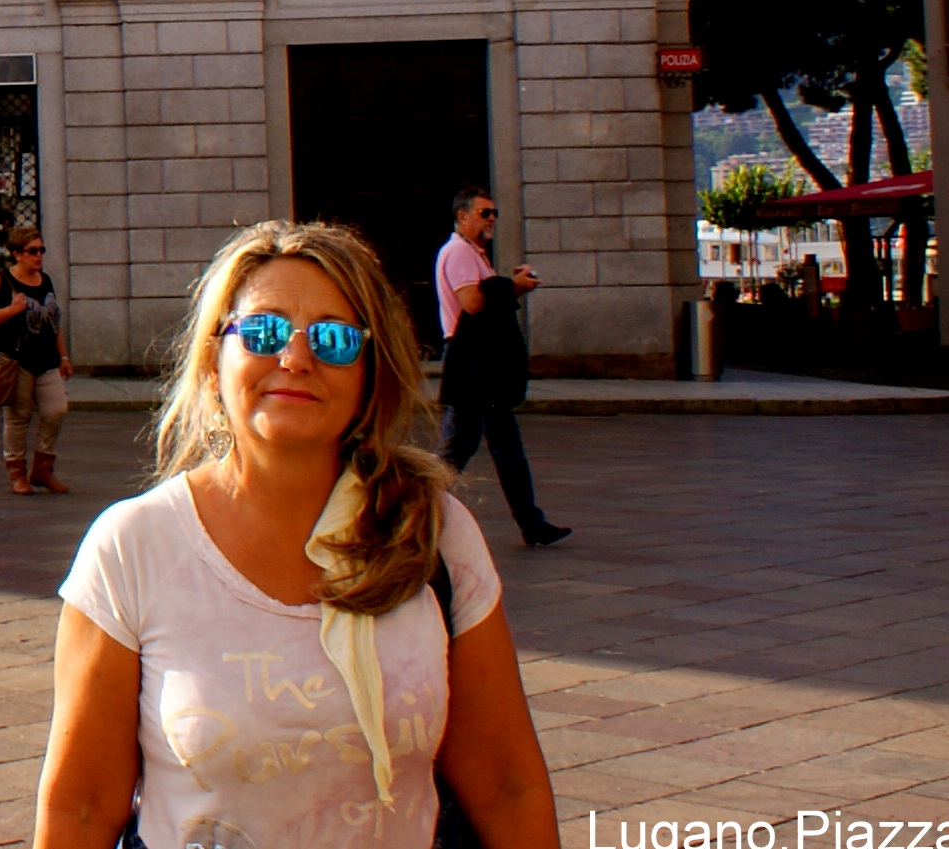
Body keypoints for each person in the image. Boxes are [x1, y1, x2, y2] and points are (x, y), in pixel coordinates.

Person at [32, 220, 561, 849]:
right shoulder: (134, 546)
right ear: (213, 357)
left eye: (335, 340)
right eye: (263, 331)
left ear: (371, 368)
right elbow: (82, 810)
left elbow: (505, 784)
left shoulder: (434, 531)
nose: (295, 359)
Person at [437, 187, 568, 548]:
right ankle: (410, 513)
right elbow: (474, 303)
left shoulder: (474, 254)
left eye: (494, 213)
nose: (491, 218)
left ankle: (532, 523)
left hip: (483, 366)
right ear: (463, 216)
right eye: (484, 213)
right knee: (455, 451)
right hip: (472, 364)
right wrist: (512, 286)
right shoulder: (459, 253)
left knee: (505, 449)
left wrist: (512, 286)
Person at [0, 226, 70, 496]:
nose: (38, 256)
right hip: (16, 361)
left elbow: (54, 322)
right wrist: (11, 309)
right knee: (18, 417)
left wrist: (63, 355)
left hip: (47, 359)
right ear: (16, 254)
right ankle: (17, 473)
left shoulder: (45, 280)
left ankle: (42, 468)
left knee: (56, 410)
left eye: (41, 250)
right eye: (32, 251)